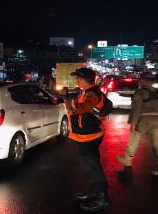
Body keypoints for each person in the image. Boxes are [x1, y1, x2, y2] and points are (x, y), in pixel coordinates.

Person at [61, 67, 110, 211]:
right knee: (89, 166)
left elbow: (86, 107)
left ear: (84, 79)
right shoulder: (86, 92)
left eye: (78, 78)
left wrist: (72, 105)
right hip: (84, 135)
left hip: (89, 136)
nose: (76, 81)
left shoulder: (92, 94)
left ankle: (102, 198)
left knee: (92, 167)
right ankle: (95, 193)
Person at [116, 72, 158, 177]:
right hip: (156, 119)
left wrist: (133, 123)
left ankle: (127, 160)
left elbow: (136, 109)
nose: (140, 81)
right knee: (157, 143)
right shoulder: (157, 91)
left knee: (134, 140)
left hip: (143, 119)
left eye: (141, 80)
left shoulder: (140, 93)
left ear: (144, 81)